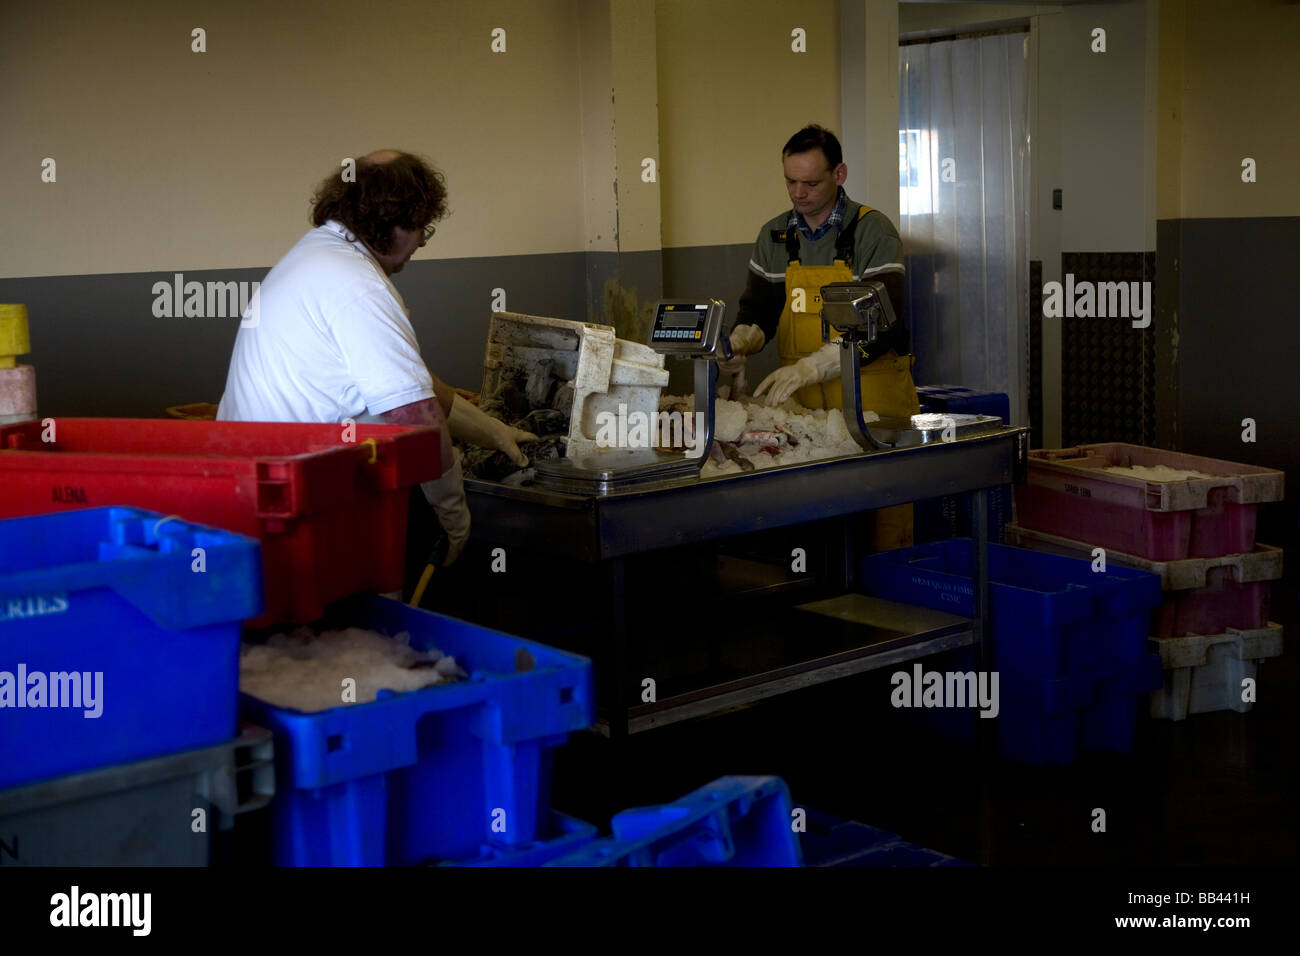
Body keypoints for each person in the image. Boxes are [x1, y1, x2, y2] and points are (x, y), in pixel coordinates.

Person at [217, 149, 536, 565]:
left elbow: (413, 382)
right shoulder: (359, 286)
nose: (422, 241)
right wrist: (453, 512)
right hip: (304, 505)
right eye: (422, 227)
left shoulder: (315, 257)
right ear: (392, 224)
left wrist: (491, 430)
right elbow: (414, 415)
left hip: (251, 489)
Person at [723, 125, 920, 548]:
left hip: (872, 403)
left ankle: (888, 600)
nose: (798, 193)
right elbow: (758, 313)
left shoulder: (873, 232)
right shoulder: (774, 236)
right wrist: (740, 343)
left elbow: (880, 325)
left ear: (839, 174)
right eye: (790, 181)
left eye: (810, 182)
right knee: (815, 525)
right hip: (803, 410)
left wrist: (815, 365)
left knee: (880, 518)